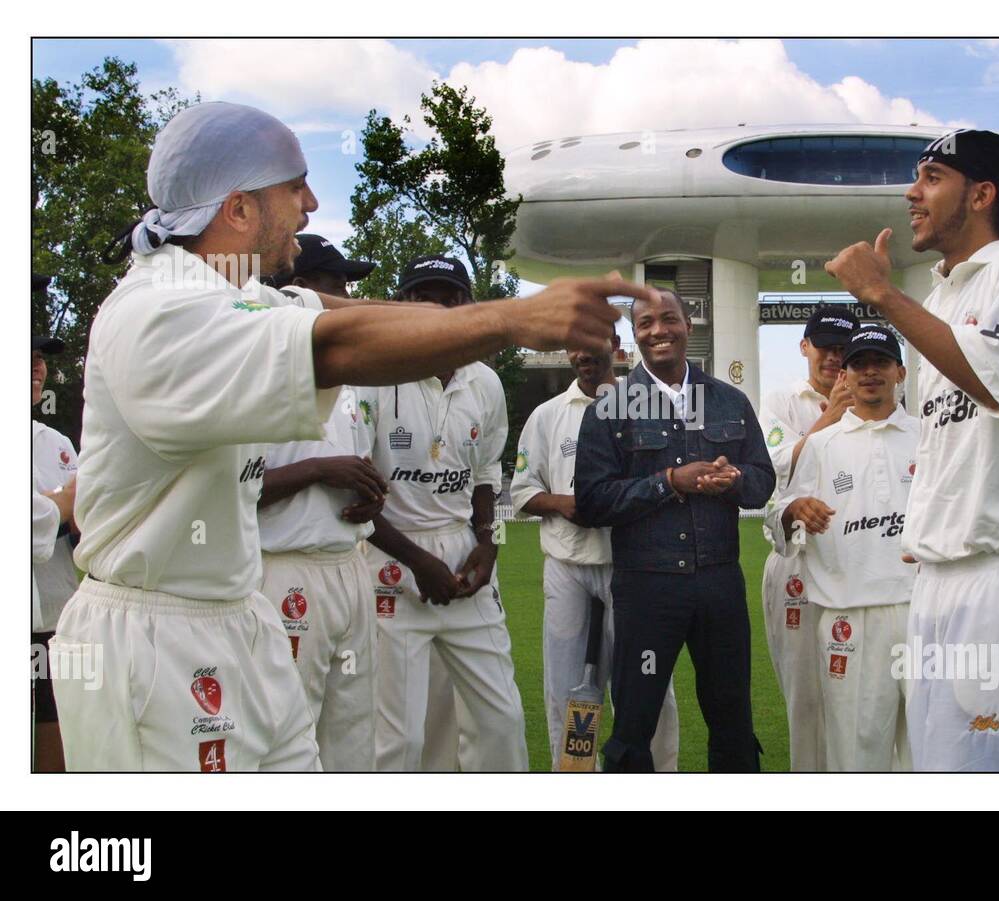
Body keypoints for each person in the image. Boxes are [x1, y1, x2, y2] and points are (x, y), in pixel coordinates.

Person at [50, 101, 647, 771]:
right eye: (293, 185)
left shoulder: (228, 294)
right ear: (238, 208)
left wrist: (492, 316)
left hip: (239, 616)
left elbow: (332, 311)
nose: (309, 202)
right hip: (157, 640)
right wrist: (511, 318)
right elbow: (332, 340)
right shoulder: (160, 310)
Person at [826, 129, 999, 771]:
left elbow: (995, 377)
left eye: (931, 177)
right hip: (938, 579)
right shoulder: (944, 294)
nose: (910, 193)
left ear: (982, 193)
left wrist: (881, 296)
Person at [574, 289, 775, 772]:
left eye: (669, 319)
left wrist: (734, 480)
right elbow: (593, 501)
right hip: (648, 589)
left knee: (732, 722)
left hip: (720, 587)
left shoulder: (729, 399)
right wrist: (667, 482)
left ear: (689, 325)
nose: (658, 330)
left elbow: (762, 481)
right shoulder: (608, 410)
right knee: (634, 726)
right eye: (645, 323)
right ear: (635, 334)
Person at [361, 253, 528, 772]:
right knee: (400, 739)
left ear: (468, 304)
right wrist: (417, 562)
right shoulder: (370, 374)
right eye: (423, 294)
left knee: (501, 718)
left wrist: (486, 540)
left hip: (459, 552)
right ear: (403, 302)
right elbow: (356, 503)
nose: (438, 306)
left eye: (451, 296)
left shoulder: (485, 382)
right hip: (390, 561)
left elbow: (484, 475)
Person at [511, 324, 680, 771]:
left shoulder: (648, 407)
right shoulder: (548, 415)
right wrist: (567, 504)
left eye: (594, 343)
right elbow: (523, 491)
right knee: (567, 691)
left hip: (633, 567)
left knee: (651, 688)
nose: (584, 353)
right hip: (568, 567)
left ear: (616, 347)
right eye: (575, 345)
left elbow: (665, 483)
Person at [256, 235, 383, 770]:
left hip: (351, 566)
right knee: (289, 729)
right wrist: (318, 470)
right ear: (301, 291)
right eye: (337, 286)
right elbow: (236, 489)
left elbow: (355, 463)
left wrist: (368, 493)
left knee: (355, 731)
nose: (348, 297)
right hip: (286, 572)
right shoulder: (257, 370)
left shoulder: (352, 378)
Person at [768, 326, 918, 771]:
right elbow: (776, 513)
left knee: (928, 752)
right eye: (858, 364)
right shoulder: (819, 443)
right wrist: (795, 509)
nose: (870, 372)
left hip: (921, 610)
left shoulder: (929, 436)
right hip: (848, 615)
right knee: (855, 755)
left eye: (881, 362)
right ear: (845, 377)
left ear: (901, 371)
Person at [757, 304, 858, 771]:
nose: (834, 359)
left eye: (844, 349)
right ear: (804, 348)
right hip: (795, 558)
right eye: (825, 348)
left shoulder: (877, 397)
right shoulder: (781, 400)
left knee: (857, 692)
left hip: (856, 558)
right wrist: (831, 416)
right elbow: (778, 469)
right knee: (805, 697)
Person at [31, 321, 80, 772]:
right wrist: (62, 503)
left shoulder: (56, 442)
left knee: (56, 724)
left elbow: (88, 516)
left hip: (55, 619)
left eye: (41, 357)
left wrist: (73, 511)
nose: (36, 367)